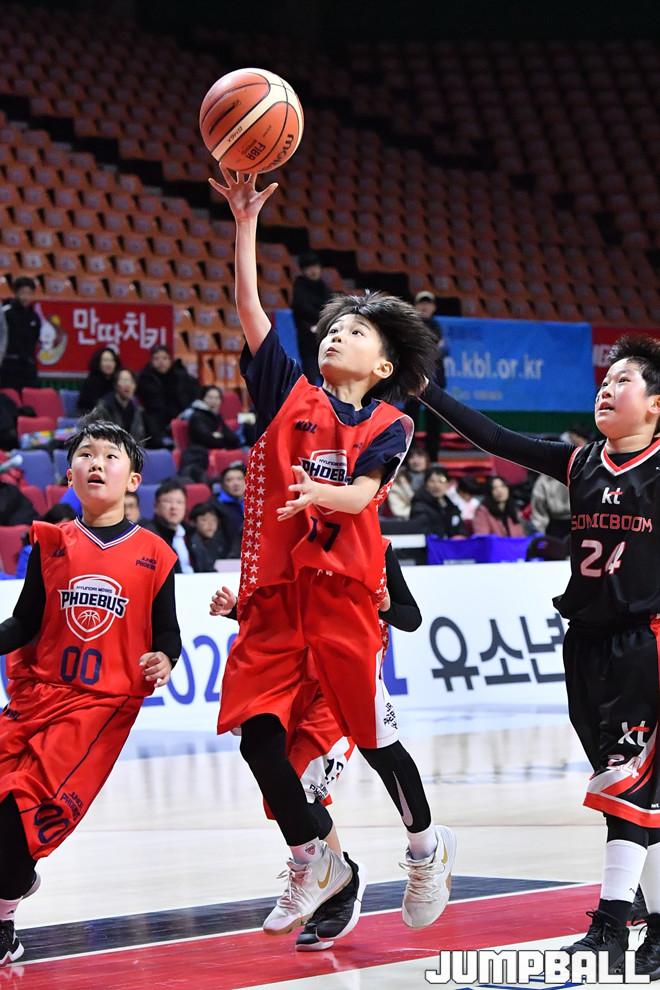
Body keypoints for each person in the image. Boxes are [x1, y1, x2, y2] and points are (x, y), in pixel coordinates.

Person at [209, 166, 454, 937]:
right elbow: (250, 309)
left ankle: (426, 847)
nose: (336, 334)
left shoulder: (389, 423)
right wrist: (245, 221)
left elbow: (362, 497)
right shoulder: (287, 394)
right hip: (275, 602)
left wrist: (321, 492)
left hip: (346, 600)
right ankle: (318, 859)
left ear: (382, 367)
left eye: (355, 331)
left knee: (377, 745)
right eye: (332, 328)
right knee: (258, 743)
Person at [420, 333, 660, 975]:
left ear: (656, 404)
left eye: (624, 381)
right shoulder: (580, 463)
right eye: (604, 381)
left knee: (623, 784)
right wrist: (426, 392)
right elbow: (496, 439)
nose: (607, 389)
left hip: (643, 643)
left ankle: (612, 928)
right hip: (584, 644)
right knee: (632, 792)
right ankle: (656, 931)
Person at [0, 417, 180, 965]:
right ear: (70, 474)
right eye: (85, 453)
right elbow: (25, 622)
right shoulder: (51, 542)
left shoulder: (155, 554)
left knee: (19, 812)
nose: (96, 461)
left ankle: (4, 918)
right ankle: (16, 878)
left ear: (133, 480)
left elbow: (168, 633)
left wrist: (165, 659)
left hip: (99, 707)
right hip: (36, 697)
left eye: (109, 455)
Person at [210, 540, 422, 951]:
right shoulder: (293, 543)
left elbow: (411, 617)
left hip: (339, 686)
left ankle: (342, 885)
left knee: (301, 787)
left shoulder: (376, 548)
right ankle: (336, 876)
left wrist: (383, 605)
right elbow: (289, 615)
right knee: (285, 795)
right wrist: (238, 610)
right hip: (292, 679)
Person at [136, 345, 199, 448]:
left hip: (180, 417)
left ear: (170, 360)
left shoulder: (181, 376)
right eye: (156, 359)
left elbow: (194, 395)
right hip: (155, 421)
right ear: (151, 361)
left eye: (165, 358)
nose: (161, 362)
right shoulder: (144, 378)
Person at [181, 385, 241, 480]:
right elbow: (207, 439)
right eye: (210, 397)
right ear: (203, 399)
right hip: (199, 456)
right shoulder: (197, 416)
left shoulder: (217, 417)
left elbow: (234, 439)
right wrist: (222, 438)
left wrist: (220, 436)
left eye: (217, 398)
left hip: (215, 452)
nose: (214, 401)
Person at [142, 479, 200, 573]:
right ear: (156, 506)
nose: (174, 507)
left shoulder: (191, 532)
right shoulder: (148, 536)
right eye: (168, 501)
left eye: (179, 502)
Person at [291, 251, 332, 385]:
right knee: (311, 378)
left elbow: (331, 307)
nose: (313, 271)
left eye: (315, 266)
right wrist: (322, 317)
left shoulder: (324, 288)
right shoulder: (299, 287)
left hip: (325, 340)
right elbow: (303, 309)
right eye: (309, 268)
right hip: (309, 342)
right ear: (303, 270)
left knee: (330, 380)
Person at [15, 503, 77, 579]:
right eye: (59, 529)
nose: (63, 534)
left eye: (67, 529)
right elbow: (22, 581)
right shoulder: (30, 552)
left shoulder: (79, 550)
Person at [0, 277, 41, 390]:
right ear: (16, 292)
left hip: (28, 365)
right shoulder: (6, 312)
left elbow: (35, 339)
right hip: (9, 364)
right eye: (22, 292)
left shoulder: (34, 317)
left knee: (31, 395)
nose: (26, 297)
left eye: (29, 293)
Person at [409, 466, 466, 538]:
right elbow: (423, 532)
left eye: (441, 481)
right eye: (432, 481)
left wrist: (460, 535)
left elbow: (460, 528)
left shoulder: (450, 506)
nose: (436, 485)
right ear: (425, 484)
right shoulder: (419, 507)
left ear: (447, 484)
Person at [99, 369, 146, 443]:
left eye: (131, 381)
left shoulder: (136, 407)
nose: (128, 385)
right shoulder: (104, 406)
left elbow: (140, 436)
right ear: (115, 385)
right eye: (124, 381)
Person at [387, 446, 430, 519]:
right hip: (408, 520)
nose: (416, 461)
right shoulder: (398, 480)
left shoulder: (436, 477)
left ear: (427, 459)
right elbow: (398, 509)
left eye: (420, 456)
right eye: (412, 457)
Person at [214, 463, 245, 558]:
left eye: (239, 479)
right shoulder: (215, 506)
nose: (236, 483)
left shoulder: (255, 504)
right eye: (229, 480)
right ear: (222, 485)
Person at [77, 348, 121, 415]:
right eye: (105, 360)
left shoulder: (117, 382)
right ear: (98, 362)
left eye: (112, 360)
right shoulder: (91, 382)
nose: (109, 364)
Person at [189, 501, 227, 571]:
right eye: (204, 520)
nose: (210, 524)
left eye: (214, 520)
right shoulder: (189, 543)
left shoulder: (220, 543)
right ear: (193, 522)